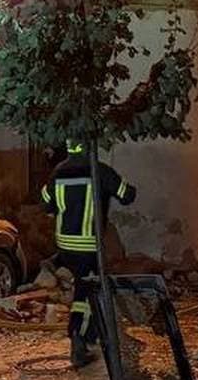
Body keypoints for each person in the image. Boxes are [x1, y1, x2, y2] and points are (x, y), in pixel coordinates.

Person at [40, 141, 136, 367]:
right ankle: (79, 339)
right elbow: (127, 195)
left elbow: (45, 204)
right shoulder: (99, 169)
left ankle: (92, 335)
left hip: (65, 245)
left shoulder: (58, 171)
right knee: (87, 292)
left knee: (85, 288)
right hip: (88, 245)